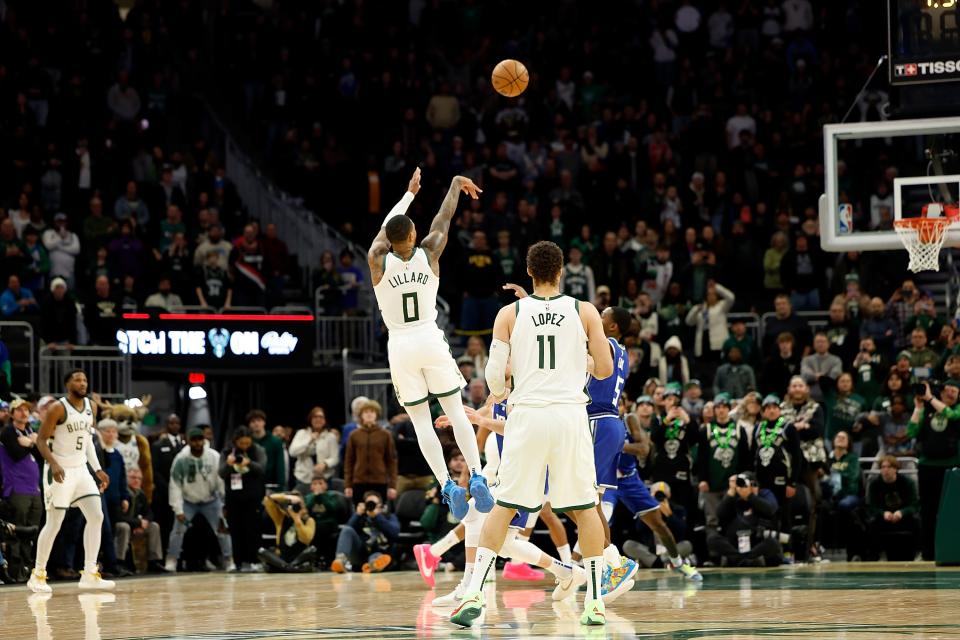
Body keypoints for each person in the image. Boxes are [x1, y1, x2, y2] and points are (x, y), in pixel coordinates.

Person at [450, 240, 614, 628]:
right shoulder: (584, 310)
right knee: (584, 507)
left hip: (526, 417)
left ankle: (474, 593)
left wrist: (505, 385)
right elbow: (605, 370)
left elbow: (493, 379)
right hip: (569, 416)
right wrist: (583, 359)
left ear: (529, 272)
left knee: (505, 505)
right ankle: (594, 601)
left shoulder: (509, 313)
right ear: (560, 272)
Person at [367, 168, 492, 519]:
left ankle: (448, 485)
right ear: (414, 234)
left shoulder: (377, 260)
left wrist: (408, 195)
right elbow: (444, 217)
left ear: (390, 241)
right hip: (429, 336)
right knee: (454, 411)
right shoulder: (430, 252)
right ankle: (477, 474)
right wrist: (453, 184)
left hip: (400, 345)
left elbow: (384, 231)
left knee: (421, 421)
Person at [27, 370, 114, 593]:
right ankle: (37, 574)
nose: (82, 383)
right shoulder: (58, 407)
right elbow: (41, 440)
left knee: (96, 516)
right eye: (77, 379)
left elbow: (87, 442)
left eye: (85, 379)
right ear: (67, 384)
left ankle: (89, 573)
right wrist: (54, 463)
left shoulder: (91, 406)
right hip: (60, 469)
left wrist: (97, 469)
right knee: (55, 522)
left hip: (81, 469)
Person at [164, 426, 235, 573]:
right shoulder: (181, 459)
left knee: (223, 528)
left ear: (204, 440)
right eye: (194, 440)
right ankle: (171, 559)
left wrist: (224, 503)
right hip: (188, 501)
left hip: (211, 500)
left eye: (200, 439)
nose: (197, 443)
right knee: (178, 530)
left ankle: (229, 560)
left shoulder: (214, 457)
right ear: (188, 441)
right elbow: (175, 484)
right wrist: (178, 509)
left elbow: (220, 480)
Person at [906, 380, 960, 560]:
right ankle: (928, 552)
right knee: (928, 511)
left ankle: (952, 550)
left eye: (955, 391)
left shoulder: (958, 408)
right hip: (927, 466)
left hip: (952, 467)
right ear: (941, 393)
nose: (952, 394)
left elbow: (952, 416)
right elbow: (912, 431)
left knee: (951, 510)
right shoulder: (928, 409)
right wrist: (919, 407)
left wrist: (930, 398)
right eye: (948, 391)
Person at [0, 398, 42, 580]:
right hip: (17, 488)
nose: (24, 413)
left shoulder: (31, 432)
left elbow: (42, 456)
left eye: (26, 409)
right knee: (17, 531)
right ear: (12, 413)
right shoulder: (8, 432)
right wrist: (34, 443)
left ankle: (29, 569)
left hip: (34, 490)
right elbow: (17, 454)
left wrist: (32, 442)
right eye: (19, 410)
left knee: (32, 532)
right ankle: (15, 572)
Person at [697, 393, 752, 530]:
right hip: (712, 483)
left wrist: (742, 479)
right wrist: (702, 479)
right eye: (718, 407)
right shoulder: (706, 430)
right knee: (712, 519)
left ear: (729, 409)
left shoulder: (739, 429)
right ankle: (714, 550)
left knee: (733, 517)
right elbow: (701, 457)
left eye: (724, 407)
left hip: (732, 483)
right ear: (714, 410)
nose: (721, 410)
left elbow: (745, 457)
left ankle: (731, 548)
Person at [707, 473, 782, 567]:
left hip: (757, 543)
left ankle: (740, 560)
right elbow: (720, 514)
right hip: (735, 544)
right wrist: (731, 492)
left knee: (772, 543)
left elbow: (770, 509)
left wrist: (750, 496)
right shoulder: (733, 496)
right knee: (712, 539)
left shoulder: (764, 494)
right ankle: (746, 560)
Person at [219, 426, 267, 572]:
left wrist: (250, 464)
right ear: (235, 441)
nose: (245, 446)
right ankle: (238, 562)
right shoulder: (228, 451)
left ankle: (254, 560)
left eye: (247, 443)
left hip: (253, 497)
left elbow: (262, 468)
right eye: (242, 444)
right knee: (235, 529)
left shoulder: (257, 449)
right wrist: (228, 464)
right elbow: (221, 473)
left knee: (252, 529)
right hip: (234, 498)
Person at [865, 455, 920, 560]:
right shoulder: (874, 484)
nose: (885, 470)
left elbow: (914, 505)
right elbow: (872, 506)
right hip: (884, 518)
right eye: (883, 467)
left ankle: (918, 553)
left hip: (903, 517)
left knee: (916, 521)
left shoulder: (907, 482)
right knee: (871, 523)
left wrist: (901, 512)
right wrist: (883, 513)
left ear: (895, 469)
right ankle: (873, 557)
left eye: (889, 467)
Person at [343, 400, 398, 504]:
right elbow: (349, 462)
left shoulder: (385, 435)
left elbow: (391, 461)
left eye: (372, 412)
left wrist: (392, 486)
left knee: (379, 513)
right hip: (359, 481)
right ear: (361, 415)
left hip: (380, 481)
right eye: (366, 412)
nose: (369, 414)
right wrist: (348, 485)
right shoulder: (354, 435)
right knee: (360, 512)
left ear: (376, 415)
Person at [331, 490, 399, 573]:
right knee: (346, 530)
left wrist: (377, 517)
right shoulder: (360, 517)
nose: (371, 506)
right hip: (361, 552)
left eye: (373, 504)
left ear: (380, 506)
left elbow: (394, 533)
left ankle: (372, 566)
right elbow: (347, 532)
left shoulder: (388, 516)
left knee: (377, 557)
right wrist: (357, 514)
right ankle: (340, 560)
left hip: (379, 551)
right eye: (368, 504)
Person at [113, 467, 167, 573]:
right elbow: (117, 516)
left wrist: (144, 523)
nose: (136, 480)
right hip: (120, 527)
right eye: (133, 477)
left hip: (135, 526)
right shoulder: (121, 493)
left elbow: (149, 512)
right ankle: (119, 563)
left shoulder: (140, 494)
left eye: (139, 478)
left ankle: (153, 562)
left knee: (154, 526)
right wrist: (138, 523)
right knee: (124, 526)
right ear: (126, 478)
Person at [259, 491, 318, 573]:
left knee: (312, 550)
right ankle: (290, 567)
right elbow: (267, 500)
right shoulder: (281, 519)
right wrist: (287, 497)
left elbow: (306, 539)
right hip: (282, 558)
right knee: (262, 551)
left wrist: (297, 519)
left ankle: (287, 567)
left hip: (299, 558)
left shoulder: (309, 521)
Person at [150, 414, 184, 550]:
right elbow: (155, 470)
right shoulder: (158, 445)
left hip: (183, 493)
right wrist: (168, 487)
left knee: (181, 526)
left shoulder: (185, 445)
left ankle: (182, 559)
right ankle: (164, 556)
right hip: (164, 493)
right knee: (165, 525)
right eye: (171, 423)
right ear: (166, 425)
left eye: (177, 423)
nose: (174, 426)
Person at [289, 407, 339, 493]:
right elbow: (292, 452)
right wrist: (309, 441)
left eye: (321, 417)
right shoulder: (301, 433)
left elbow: (335, 458)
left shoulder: (331, 436)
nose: (318, 420)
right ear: (310, 419)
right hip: (304, 478)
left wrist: (325, 464)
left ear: (325, 420)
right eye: (315, 417)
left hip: (324, 479)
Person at [304, 475, 347, 563]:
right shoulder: (308, 498)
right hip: (314, 524)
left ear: (326, 486)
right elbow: (306, 509)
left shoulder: (332, 496)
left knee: (322, 528)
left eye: (320, 483)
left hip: (329, 523)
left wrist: (321, 496)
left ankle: (327, 559)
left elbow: (332, 508)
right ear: (311, 487)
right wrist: (315, 497)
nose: (318, 486)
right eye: (315, 484)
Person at [246, 409, 286, 489]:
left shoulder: (275, 441)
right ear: (249, 424)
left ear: (264, 422)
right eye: (253, 421)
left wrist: (281, 486)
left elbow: (280, 465)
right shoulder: (246, 442)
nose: (256, 423)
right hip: (251, 483)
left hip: (270, 484)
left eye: (259, 420)